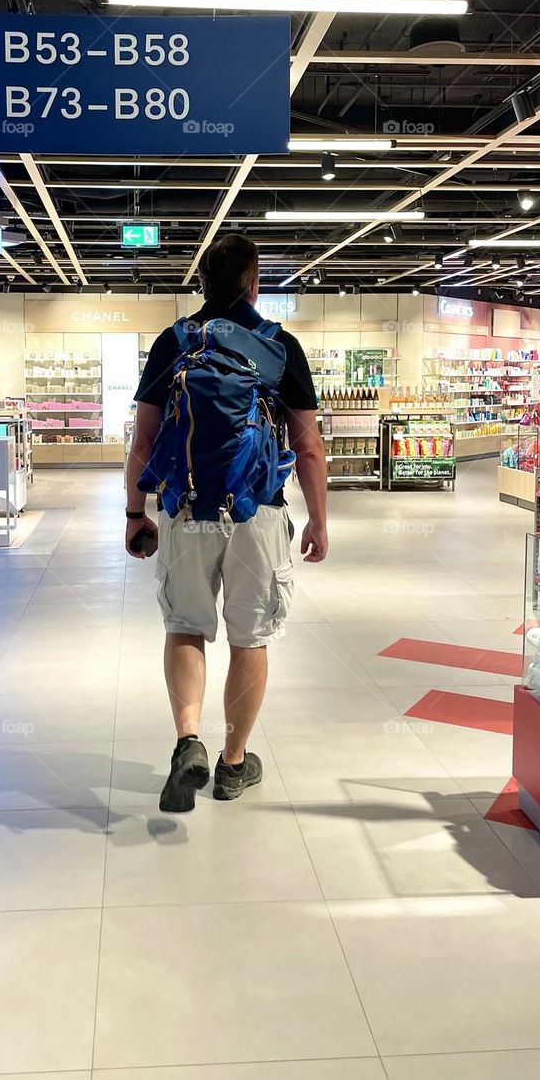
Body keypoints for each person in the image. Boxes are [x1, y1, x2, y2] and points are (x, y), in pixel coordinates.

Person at [125, 231, 328, 811]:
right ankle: (234, 763)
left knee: (185, 625)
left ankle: (187, 740)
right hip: (257, 514)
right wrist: (317, 520)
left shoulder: (175, 341)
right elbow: (307, 446)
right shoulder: (280, 345)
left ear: (203, 283)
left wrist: (136, 513)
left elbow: (142, 441)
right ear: (254, 282)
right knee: (250, 636)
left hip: (186, 510)